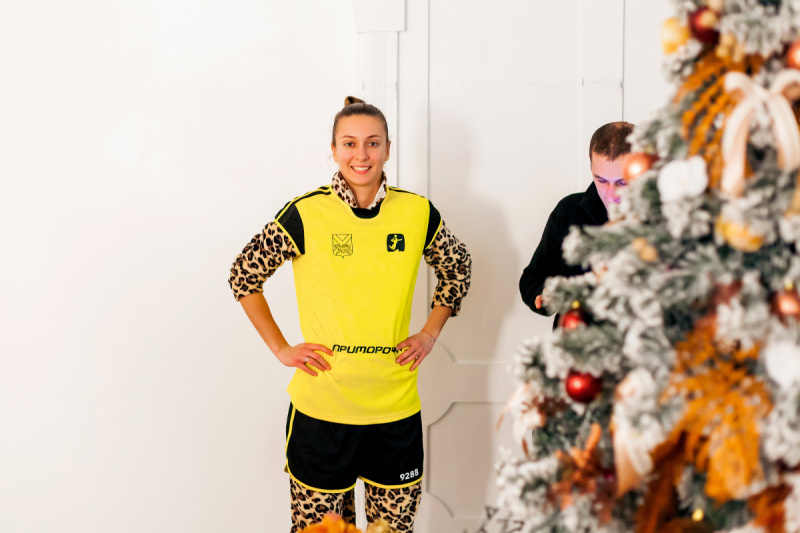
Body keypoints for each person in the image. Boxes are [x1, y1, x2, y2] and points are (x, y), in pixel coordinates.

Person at [228, 96, 471, 532]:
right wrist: (281, 349)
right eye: (350, 143)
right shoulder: (305, 213)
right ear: (334, 149)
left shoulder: (417, 212)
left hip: (394, 412)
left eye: (373, 143)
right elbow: (244, 275)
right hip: (322, 412)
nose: (362, 155)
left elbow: (458, 268)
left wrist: (429, 333)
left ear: (388, 149)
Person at [519, 122, 633, 327]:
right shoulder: (568, 210)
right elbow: (533, 277)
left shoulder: (671, 216)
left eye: (622, 182)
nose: (610, 195)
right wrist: (543, 294)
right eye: (601, 180)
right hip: (574, 341)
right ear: (590, 162)